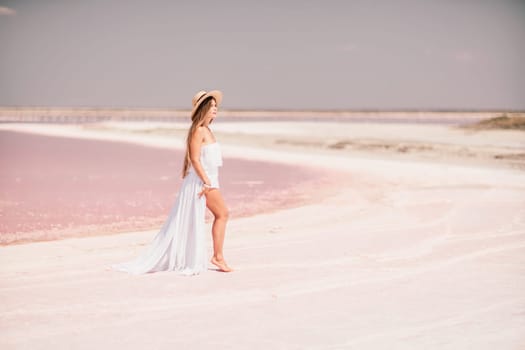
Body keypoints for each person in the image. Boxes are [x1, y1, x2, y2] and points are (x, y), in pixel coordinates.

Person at [113, 90, 232, 275]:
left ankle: (215, 255)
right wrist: (206, 181)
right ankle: (218, 256)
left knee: (219, 215)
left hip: (208, 181)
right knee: (223, 214)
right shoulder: (199, 130)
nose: (215, 109)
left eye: (216, 106)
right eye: (211, 106)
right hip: (202, 182)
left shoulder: (208, 130)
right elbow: (194, 159)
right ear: (203, 109)